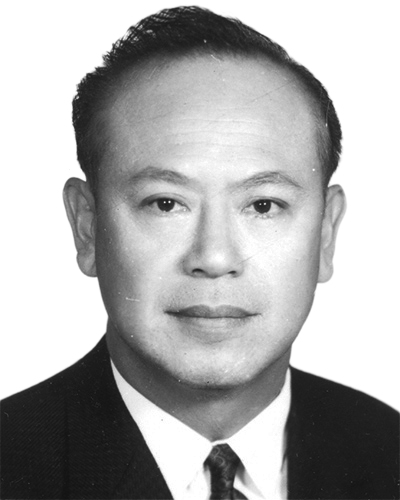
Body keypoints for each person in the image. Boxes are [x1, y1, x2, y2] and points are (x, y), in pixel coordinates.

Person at [1, 6, 398, 500]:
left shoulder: (389, 451)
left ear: (325, 233)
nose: (214, 257)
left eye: (263, 205)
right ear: (87, 227)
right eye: (166, 204)